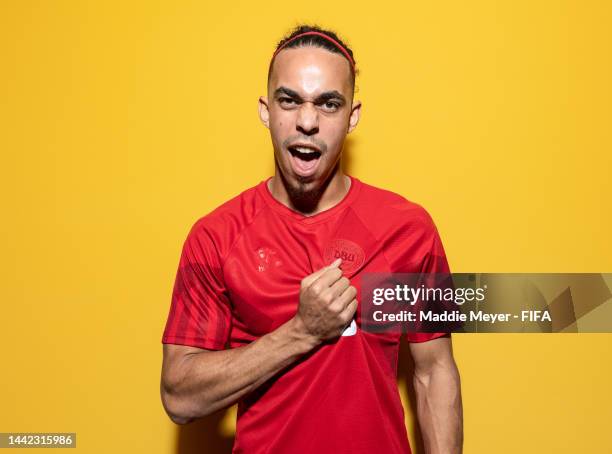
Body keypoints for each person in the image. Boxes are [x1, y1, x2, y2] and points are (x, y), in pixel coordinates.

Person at [160, 24, 463, 454]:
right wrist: (302, 331)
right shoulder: (215, 237)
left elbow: (434, 372)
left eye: (328, 103)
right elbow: (178, 396)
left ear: (351, 117)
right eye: (290, 100)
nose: (306, 121)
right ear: (266, 110)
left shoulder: (408, 230)